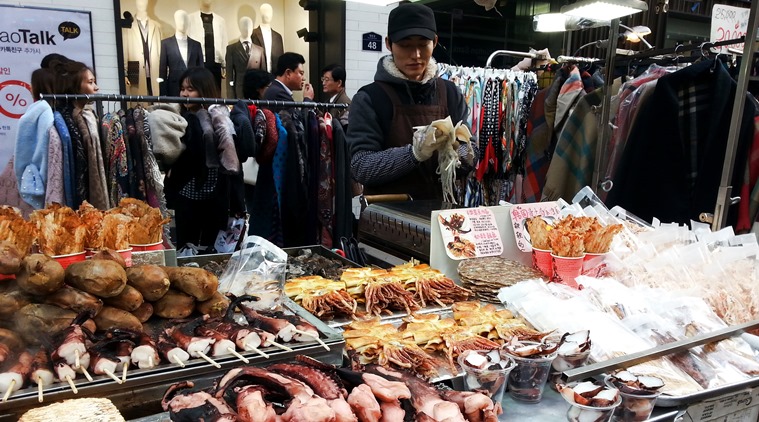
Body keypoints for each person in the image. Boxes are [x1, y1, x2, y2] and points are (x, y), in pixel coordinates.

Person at [347, 3, 469, 201]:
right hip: (388, 219)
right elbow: (361, 167)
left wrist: (458, 153)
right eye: (405, 45)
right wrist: (414, 153)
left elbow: (471, 151)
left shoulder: (451, 93)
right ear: (389, 44)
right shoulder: (369, 98)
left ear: (435, 42)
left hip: (442, 216)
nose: (416, 55)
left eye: (423, 44)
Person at [164, 66, 229, 252]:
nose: (184, 94)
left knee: (211, 246)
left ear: (204, 90)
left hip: (214, 193)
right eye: (182, 89)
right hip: (187, 193)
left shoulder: (220, 118)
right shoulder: (178, 119)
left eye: (190, 89)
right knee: (186, 243)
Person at [158, 10, 203, 96]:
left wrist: (201, 90)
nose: (183, 23)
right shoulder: (166, 44)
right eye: (180, 19)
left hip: (193, 88)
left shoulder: (196, 45)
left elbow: (201, 70)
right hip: (173, 88)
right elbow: (162, 71)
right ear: (175, 21)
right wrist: (163, 95)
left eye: (185, 20)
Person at [187, 0, 228, 92]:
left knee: (215, 91)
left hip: (215, 63)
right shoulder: (190, 19)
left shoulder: (220, 20)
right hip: (197, 63)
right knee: (198, 90)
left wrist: (224, 65)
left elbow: (224, 42)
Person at [226, 17, 265, 98]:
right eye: (244, 26)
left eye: (249, 26)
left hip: (255, 90)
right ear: (239, 28)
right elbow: (229, 76)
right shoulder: (231, 48)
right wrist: (231, 97)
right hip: (239, 90)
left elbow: (263, 75)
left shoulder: (259, 50)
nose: (247, 29)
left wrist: (263, 95)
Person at [252, 3, 284, 73]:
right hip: (258, 76)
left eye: (269, 12)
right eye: (264, 11)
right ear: (260, 14)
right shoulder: (252, 34)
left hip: (275, 76)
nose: (267, 14)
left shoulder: (278, 37)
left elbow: (281, 60)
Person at [321, 64, 351, 129]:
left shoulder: (345, 104)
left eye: (327, 80)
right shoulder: (329, 101)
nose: (323, 83)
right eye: (323, 79)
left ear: (339, 83)